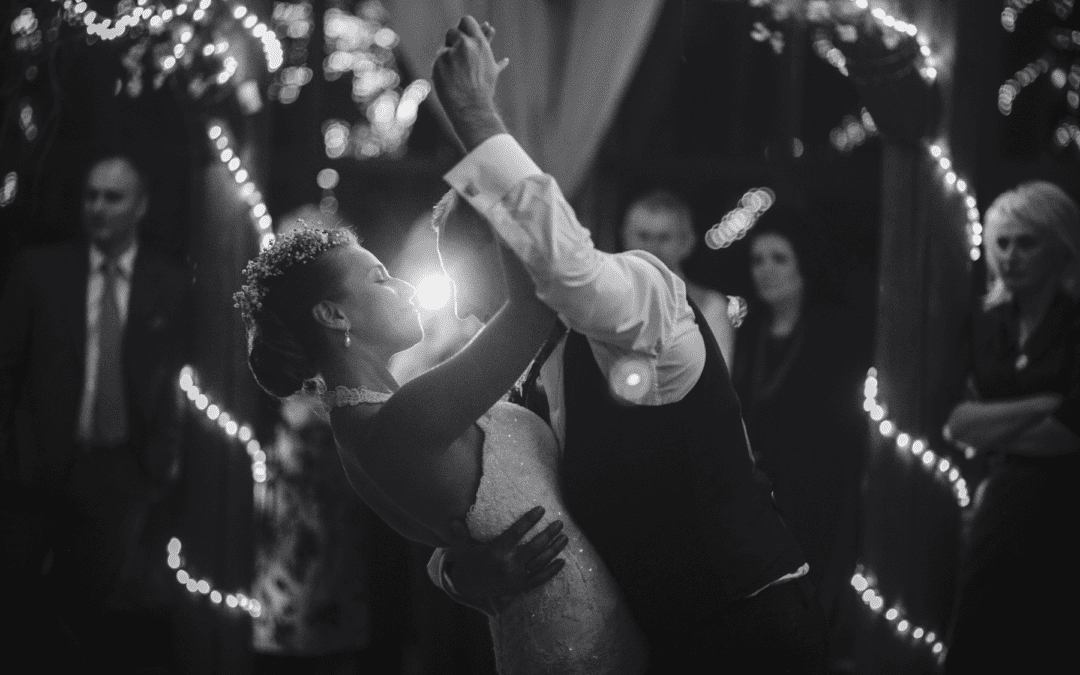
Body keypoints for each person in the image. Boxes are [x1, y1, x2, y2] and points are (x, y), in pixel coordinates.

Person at [427, 16, 827, 673]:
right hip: (651, 646)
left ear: (519, 262)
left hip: (754, 630)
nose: (465, 312)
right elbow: (457, 500)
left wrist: (473, 111)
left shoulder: (648, 297)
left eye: (469, 283)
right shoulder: (518, 383)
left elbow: (569, 276)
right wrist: (456, 573)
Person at [234, 214, 647, 674]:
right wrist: (496, 190)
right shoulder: (398, 420)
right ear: (334, 315)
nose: (406, 288)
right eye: (380, 278)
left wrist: (451, 571)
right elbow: (532, 307)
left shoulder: (368, 420)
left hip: (564, 618)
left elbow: (455, 526)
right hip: (574, 635)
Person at [0, 152, 191, 670]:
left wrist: (157, 468)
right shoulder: (40, 272)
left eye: (113, 197)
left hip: (118, 472)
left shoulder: (167, 284)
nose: (99, 208)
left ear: (141, 206)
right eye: (91, 196)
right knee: (19, 607)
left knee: (89, 614)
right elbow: (8, 370)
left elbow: (174, 381)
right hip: (38, 469)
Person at [942, 181, 1080, 674]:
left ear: (1061, 246)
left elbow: (1069, 435)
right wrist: (1042, 402)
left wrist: (992, 423)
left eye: (1027, 242)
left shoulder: (1073, 321)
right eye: (1002, 242)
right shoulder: (986, 322)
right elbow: (956, 423)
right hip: (1000, 498)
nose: (1012, 255)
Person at [730, 210, 870, 670]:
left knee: (814, 606)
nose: (765, 269)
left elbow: (844, 423)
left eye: (779, 258)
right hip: (765, 493)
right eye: (757, 260)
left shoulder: (838, 331)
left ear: (804, 266)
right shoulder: (749, 333)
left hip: (820, 489)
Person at [620, 189, 736, 368]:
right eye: (643, 236)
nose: (652, 249)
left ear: (687, 243)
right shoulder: (607, 298)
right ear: (625, 239)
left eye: (664, 238)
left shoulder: (711, 307)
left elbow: (716, 382)